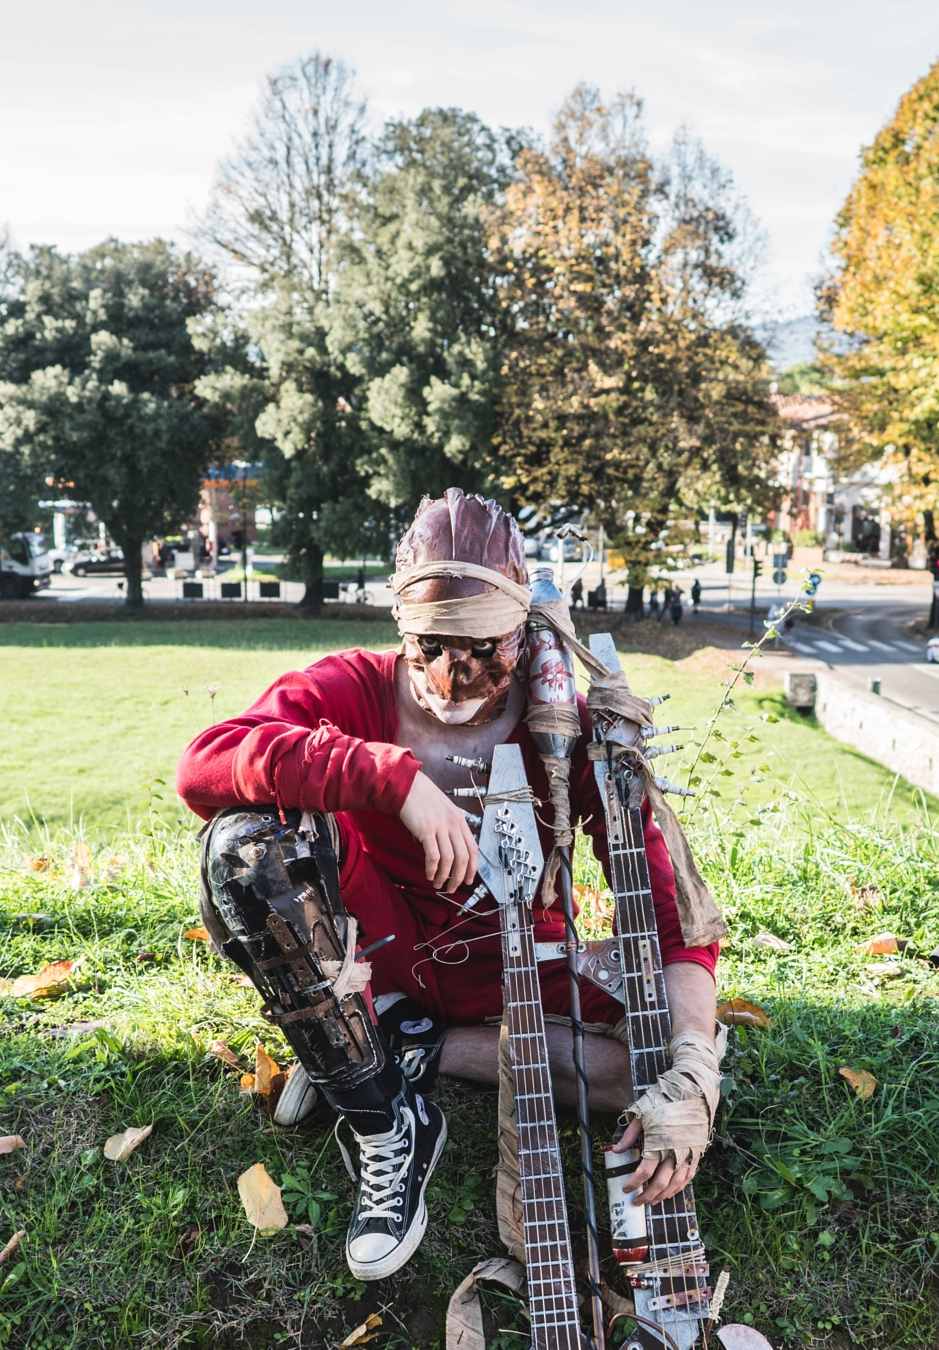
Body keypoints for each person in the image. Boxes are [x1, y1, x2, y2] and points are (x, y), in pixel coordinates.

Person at [176, 490, 720, 1283]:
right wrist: (386, 777)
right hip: (373, 946)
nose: (454, 675)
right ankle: (381, 1109)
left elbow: (667, 914)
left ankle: (379, 1050)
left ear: (523, 630)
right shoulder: (353, 689)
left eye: (483, 650)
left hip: (514, 973)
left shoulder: (565, 729)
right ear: (402, 629)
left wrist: (693, 1066)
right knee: (245, 844)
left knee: (651, 1066)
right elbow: (207, 763)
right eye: (431, 646)